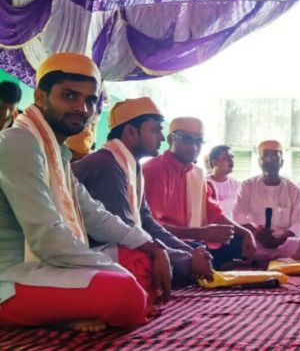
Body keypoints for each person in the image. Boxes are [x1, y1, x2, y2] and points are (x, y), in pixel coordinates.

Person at [0, 53, 171, 331]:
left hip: (49, 267)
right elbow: (46, 237)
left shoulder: (56, 151)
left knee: (140, 260)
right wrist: (119, 273)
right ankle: (68, 310)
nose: (81, 108)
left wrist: (151, 246)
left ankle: (71, 308)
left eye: (90, 100)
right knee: (124, 294)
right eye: (69, 96)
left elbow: (94, 214)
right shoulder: (18, 143)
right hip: (10, 279)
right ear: (41, 97)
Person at [73, 98, 214, 286]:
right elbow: (124, 234)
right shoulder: (107, 165)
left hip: (121, 247)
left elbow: (147, 222)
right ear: (131, 132)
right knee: (147, 262)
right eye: (155, 130)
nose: (161, 138)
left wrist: (189, 251)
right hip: (92, 256)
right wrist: (186, 260)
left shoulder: (130, 165)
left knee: (186, 255)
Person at [143, 117, 256, 268]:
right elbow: (150, 227)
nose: (194, 146)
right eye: (187, 139)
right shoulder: (155, 170)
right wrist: (200, 233)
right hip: (164, 245)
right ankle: (212, 266)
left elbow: (214, 214)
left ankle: (213, 265)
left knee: (239, 241)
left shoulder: (197, 174)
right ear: (170, 140)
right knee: (196, 251)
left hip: (195, 242)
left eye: (199, 141)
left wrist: (246, 233)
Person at [233, 140, 300, 262]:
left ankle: (259, 260)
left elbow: (299, 222)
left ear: (282, 162)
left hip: (283, 242)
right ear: (259, 162)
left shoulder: (293, 189)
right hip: (256, 238)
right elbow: (238, 215)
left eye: (275, 157)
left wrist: (280, 239)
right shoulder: (247, 185)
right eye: (265, 157)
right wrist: (257, 233)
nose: (270, 161)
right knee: (236, 241)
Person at [206, 145, 240, 217]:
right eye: (225, 158)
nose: (231, 160)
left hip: (231, 223)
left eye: (232, 157)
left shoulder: (237, 185)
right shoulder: (204, 184)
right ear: (214, 162)